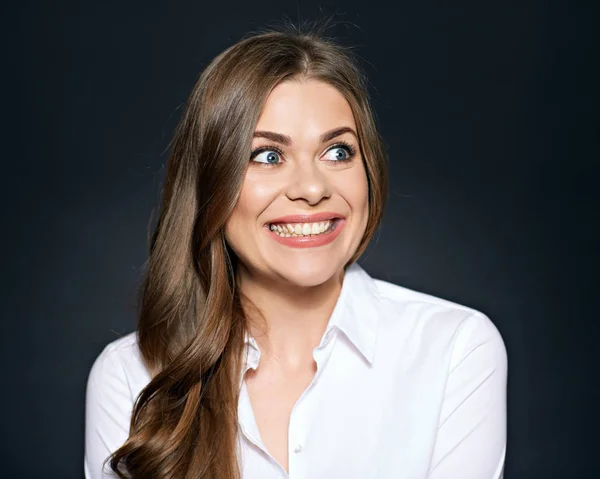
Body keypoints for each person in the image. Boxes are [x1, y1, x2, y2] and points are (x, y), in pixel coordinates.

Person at [84, 23, 507, 479]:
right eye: (267, 156)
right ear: (210, 185)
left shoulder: (455, 350)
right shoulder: (131, 376)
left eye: (338, 152)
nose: (311, 188)